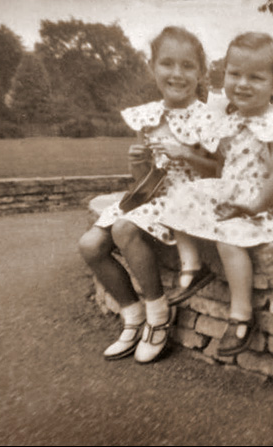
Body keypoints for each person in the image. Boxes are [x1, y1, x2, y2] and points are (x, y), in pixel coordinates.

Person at [160, 32, 273, 356]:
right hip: (231, 191)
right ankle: (192, 268)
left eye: (256, 77)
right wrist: (193, 165)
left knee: (228, 238)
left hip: (262, 201)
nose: (242, 84)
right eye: (235, 74)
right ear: (224, 77)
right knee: (179, 196)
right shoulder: (229, 122)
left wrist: (253, 205)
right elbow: (222, 165)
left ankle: (241, 316)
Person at [78, 26, 216, 364]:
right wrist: (137, 164)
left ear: (200, 72)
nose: (177, 73)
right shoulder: (147, 116)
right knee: (90, 245)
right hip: (157, 196)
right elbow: (148, 181)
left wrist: (185, 153)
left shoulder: (208, 117)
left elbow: (219, 171)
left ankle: (158, 316)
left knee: (124, 230)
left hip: (192, 199)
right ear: (152, 66)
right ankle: (132, 314)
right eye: (167, 64)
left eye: (187, 66)